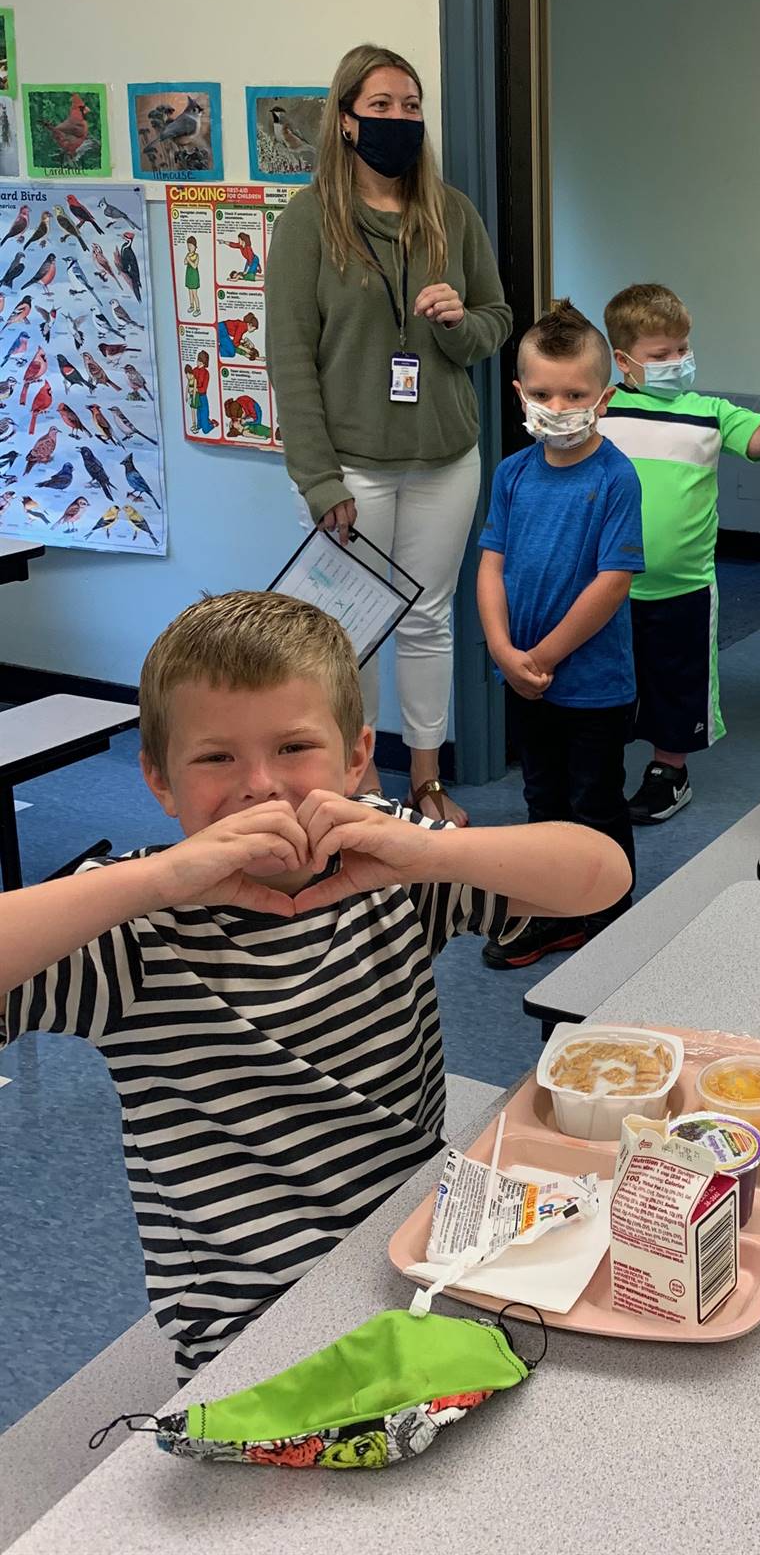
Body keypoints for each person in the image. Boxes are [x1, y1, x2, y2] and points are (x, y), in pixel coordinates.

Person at [0, 590, 629, 1382]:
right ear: (159, 782)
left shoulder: (391, 865)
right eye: (215, 758)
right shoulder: (136, 928)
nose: (261, 786)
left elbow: (602, 877)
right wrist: (152, 881)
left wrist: (430, 853)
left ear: (356, 756)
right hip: (253, 1320)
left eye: (294, 747)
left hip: (420, 1249)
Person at [267, 43, 512, 826]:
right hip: (351, 466)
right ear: (346, 120)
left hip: (446, 456)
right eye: (381, 106)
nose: (399, 120)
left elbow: (495, 325)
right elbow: (290, 358)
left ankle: (427, 778)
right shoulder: (309, 222)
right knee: (350, 637)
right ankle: (362, 785)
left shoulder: (453, 212)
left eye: (411, 107)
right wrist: (318, 478)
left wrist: (457, 322)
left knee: (430, 619)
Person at [602, 282, 760, 824]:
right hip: (606, 588)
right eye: (660, 355)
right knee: (613, 678)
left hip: (683, 586)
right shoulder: (601, 411)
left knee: (677, 682)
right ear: (624, 361)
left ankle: (670, 770)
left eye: (683, 349)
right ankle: (601, 765)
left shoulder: (706, 412)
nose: (677, 362)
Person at [477, 301, 643, 968]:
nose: (558, 405)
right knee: (542, 799)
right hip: (524, 678)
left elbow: (612, 582)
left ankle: (609, 915)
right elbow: (490, 565)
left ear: (602, 398)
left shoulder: (615, 478)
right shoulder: (512, 474)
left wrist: (541, 656)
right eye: (543, 392)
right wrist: (501, 650)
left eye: (575, 393)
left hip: (592, 685)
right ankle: (554, 909)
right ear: (519, 393)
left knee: (594, 800)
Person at [182, 234, 202, 317]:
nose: (189, 247)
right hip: (189, 275)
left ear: (194, 246)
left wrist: (189, 259)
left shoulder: (196, 255)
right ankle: (191, 306)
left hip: (194, 276)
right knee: (189, 292)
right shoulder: (188, 254)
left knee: (194, 293)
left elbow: (194, 266)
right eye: (188, 246)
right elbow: (184, 262)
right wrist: (187, 257)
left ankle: (198, 309)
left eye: (191, 245)